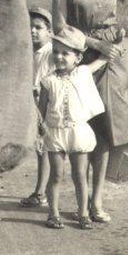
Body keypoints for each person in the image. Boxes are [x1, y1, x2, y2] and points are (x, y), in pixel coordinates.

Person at [51, 0, 128, 224]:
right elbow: (60, 26)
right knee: (77, 129)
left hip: (110, 61)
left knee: (105, 130)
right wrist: (96, 43)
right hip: (77, 58)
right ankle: (78, 200)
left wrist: (115, 41)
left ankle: (95, 201)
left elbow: (110, 17)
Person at [38, 26, 105, 230]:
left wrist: (115, 44)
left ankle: (83, 213)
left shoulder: (84, 72)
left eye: (65, 53)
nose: (59, 57)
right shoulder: (48, 81)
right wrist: (40, 131)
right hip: (56, 133)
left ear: (77, 57)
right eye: (56, 52)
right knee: (56, 175)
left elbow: (103, 59)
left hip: (78, 132)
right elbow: (40, 111)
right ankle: (53, 213)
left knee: (80, 174)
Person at [19, 6, 55, 208]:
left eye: (38, 27)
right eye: (29, 26)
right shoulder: (29, 51)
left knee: (46, 150)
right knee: (42, 149)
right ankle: (42, 191)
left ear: (49, 32)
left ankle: (41, 193)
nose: (32, 31)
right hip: (34, 103)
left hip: (47, 105)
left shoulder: (50, 53)